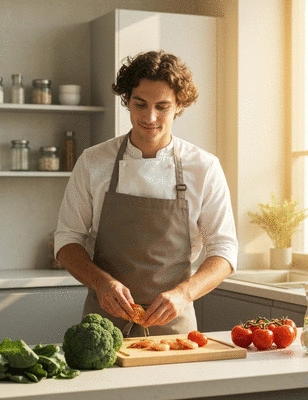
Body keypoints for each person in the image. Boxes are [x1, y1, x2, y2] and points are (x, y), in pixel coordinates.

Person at [54, 50, 238, 337]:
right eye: (140, 104)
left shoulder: (203, 167)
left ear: (179, 106)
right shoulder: (94, 162)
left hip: (174, 328)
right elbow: (67, 240)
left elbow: (225, 250)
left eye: (162, 106)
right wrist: (102, 283)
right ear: (127, 101)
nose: (150, 117)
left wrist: (184, 294)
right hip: (103, 325)